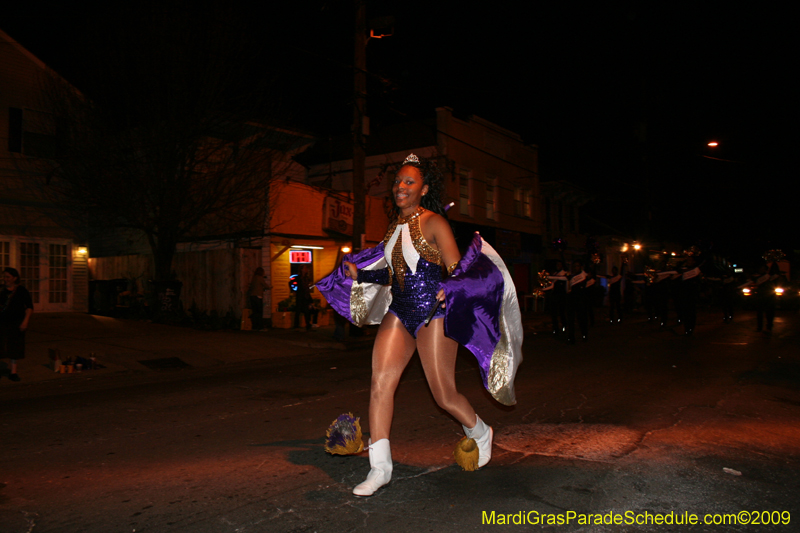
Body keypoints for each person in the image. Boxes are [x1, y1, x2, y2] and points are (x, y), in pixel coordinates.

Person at [317, 154, 521, 497]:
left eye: (409, 182)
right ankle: (380, 468)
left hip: (434, 314)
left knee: (443, 394)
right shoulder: (393, 227)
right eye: (397, 181)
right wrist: (362, 274)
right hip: (400, 312)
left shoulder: (435, 222)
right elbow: (393, 274)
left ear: (423, 189)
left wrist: (450, 289)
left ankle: (480, 430)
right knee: (380, 382)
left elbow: (459, 271)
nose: (400, 187)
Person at [1, 267, 33, 382]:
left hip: (16, 323)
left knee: (15, 347)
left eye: (8, 277)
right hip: (2, 322)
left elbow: (29, 307)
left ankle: (13, 372)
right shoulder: (1, 290)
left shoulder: (21, 291)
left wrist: (25, 321)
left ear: (15, 278)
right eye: (4, 276)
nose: (5, 279)